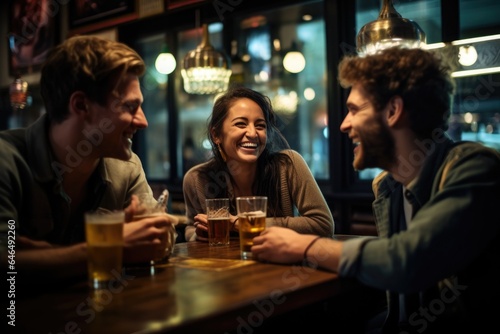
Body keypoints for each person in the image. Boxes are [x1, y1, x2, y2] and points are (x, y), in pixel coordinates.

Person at [251, 47, 500, 333]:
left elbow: (407, 261)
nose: (344, 125)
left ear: (393, 111)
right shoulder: (388, 186)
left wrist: (303, 246)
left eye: (354, 109)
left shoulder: (474, 167)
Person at [0, 35, 174, 285]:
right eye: (129, 107)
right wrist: (111, 246)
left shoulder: (127, 166)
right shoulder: (6, 161)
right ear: (81, 105)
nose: (143, 122)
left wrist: (42, 256)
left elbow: (158, 238)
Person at [182, 86, 334, 242]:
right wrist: (198, 234)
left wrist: (239, 223)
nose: (253, 133)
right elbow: (190, 229)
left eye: (260, 126)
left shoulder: (288, 165)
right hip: (223, 264)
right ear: (216, 135)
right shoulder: (197, 178)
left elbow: (323, 224)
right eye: (241, 124)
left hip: (280, 262)